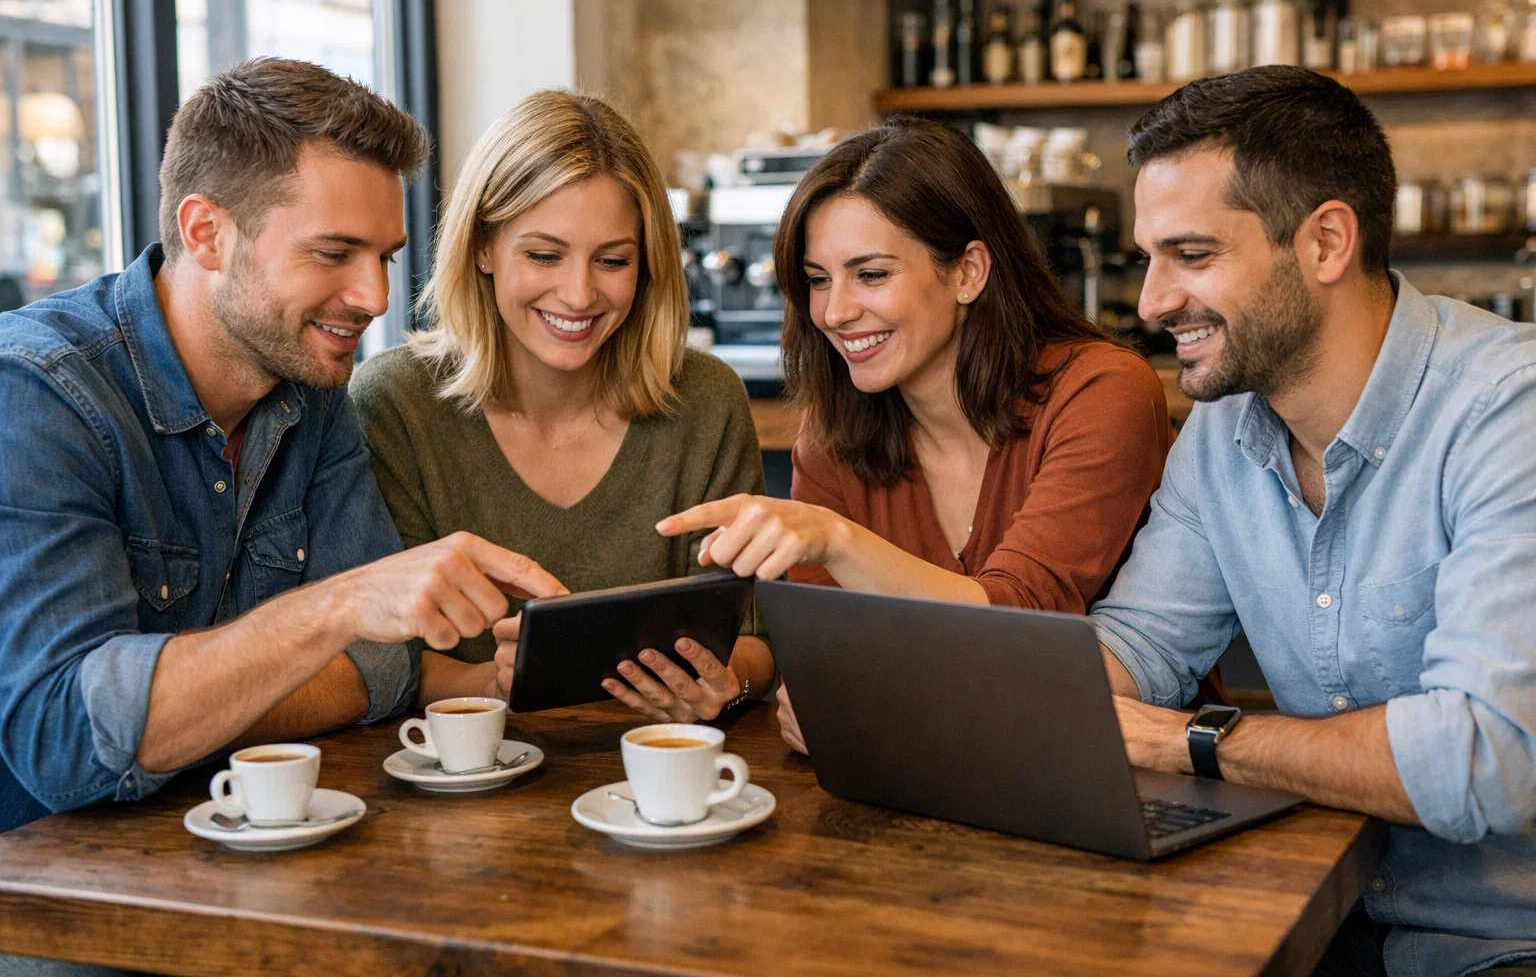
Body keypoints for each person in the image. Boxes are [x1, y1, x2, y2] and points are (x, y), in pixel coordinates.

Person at [0, 58, 565, 838]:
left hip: (247, 850)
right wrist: (336, 607)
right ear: (207, 233)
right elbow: (65, 740)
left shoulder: (309, 383)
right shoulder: (36, 394)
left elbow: (387, 667)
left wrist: (187, 711)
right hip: (48, 883)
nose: (375, 297)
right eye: (334, 253)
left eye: (385, 257)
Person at [1088, 66, 1536, 975]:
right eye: (1148, 258)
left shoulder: (1508, 411)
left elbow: (1483, 760)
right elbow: (1138, 647)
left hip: (1501, 943)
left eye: (1192, 255)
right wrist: (940, 710)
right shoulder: (1221, 431)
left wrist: (1188, 740)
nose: (1151, 302)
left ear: (1326, 241)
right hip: (1323, 915)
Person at [655, 117, 1176, 753]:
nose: (835, 312)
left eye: (871, 274)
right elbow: (830, 664)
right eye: (818, 279)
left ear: (969, 272)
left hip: (1128, 771)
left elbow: (1021, 625)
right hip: (922, 774)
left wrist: (838, 542)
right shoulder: (834, 433)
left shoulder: (1101, 393)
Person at [351, 90, 772, 724]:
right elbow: (385, 661)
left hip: (662, 768)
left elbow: (756, 640)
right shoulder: (395, 402)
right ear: (483, 246)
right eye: (544, 255)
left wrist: (724, 683)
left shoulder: (705, 400)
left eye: (613, 261)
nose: (578, 295)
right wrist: (498, 686)